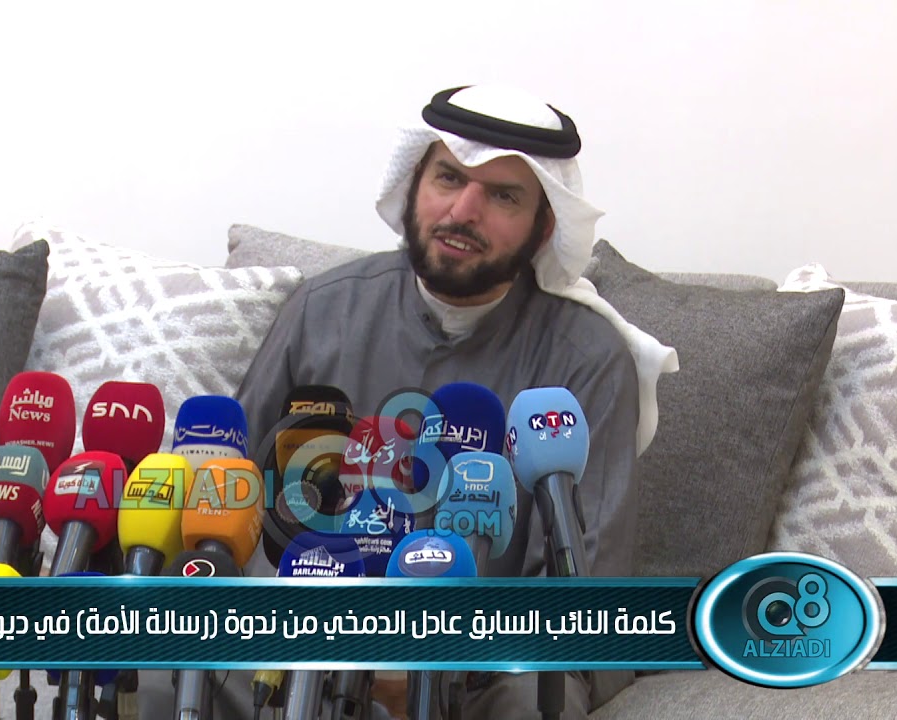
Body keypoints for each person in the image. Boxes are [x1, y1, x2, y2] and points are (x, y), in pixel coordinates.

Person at [230, 85, 680, 719]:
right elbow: (230, 498)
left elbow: (582, 597)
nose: (464, 210)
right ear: (415, 184)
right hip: (302, 643)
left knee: (529, 693)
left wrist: (426, 666)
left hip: (482, 668)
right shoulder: (323, 311)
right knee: (171, 666)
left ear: (544, 225)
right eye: (449, 177)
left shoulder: (585, 358)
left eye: (503, 196)